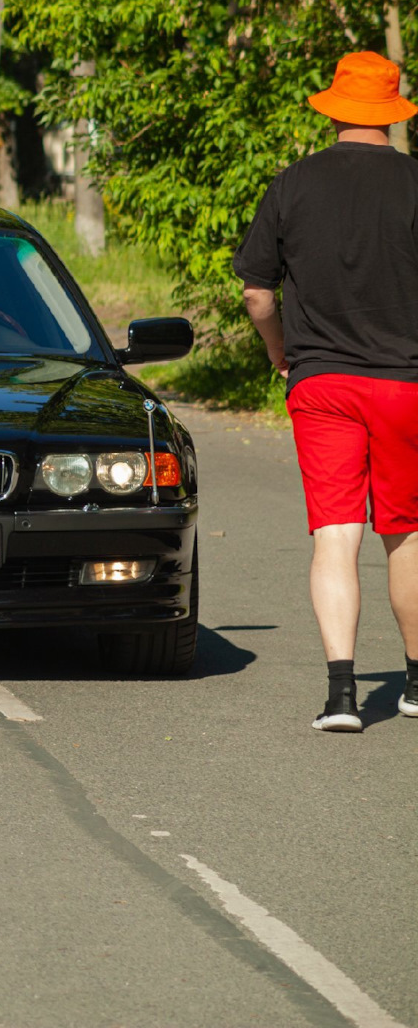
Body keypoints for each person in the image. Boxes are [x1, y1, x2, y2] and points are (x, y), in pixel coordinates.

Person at [234, 49, 418, 731]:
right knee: (405, 535)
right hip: (407, 385)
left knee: (335, 537)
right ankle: (416, 682)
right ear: (393, 115)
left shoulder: (292, 185)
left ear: (335, 107)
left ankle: (341, 696)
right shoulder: (413, 184)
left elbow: (257, 293)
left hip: (323, 383)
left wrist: (284, 354)